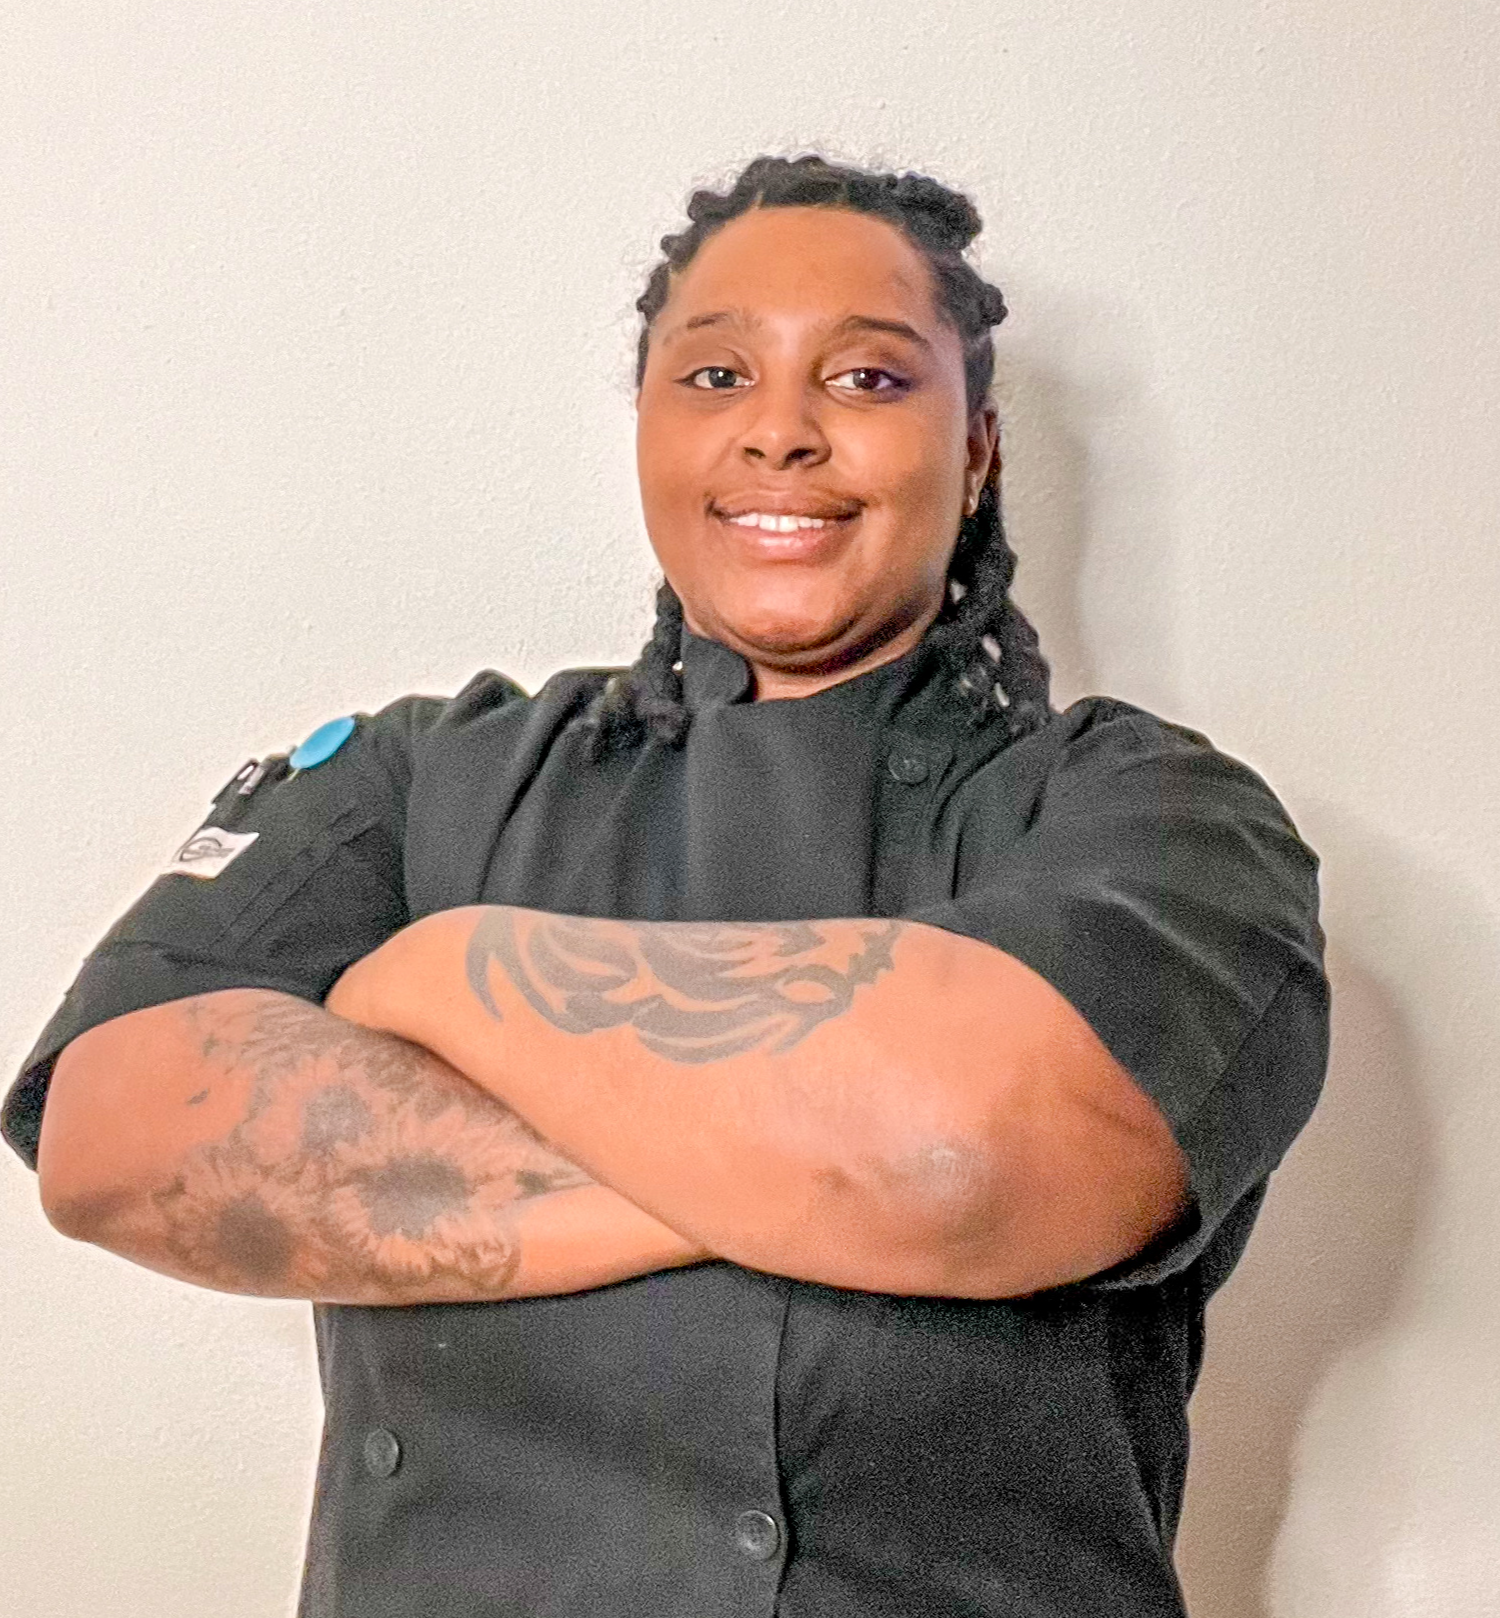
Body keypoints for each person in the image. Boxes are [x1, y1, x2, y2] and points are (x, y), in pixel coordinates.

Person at [4, 155, 1328, 1618]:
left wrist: (449, 973)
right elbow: (113, 1134)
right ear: (644, 426)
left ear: (977, 451)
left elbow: (971, 1152)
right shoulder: (426, 774)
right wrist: (820, 1171)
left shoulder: (1156, 814)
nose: (781, 430)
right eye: (714, 375)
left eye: (868, 378)